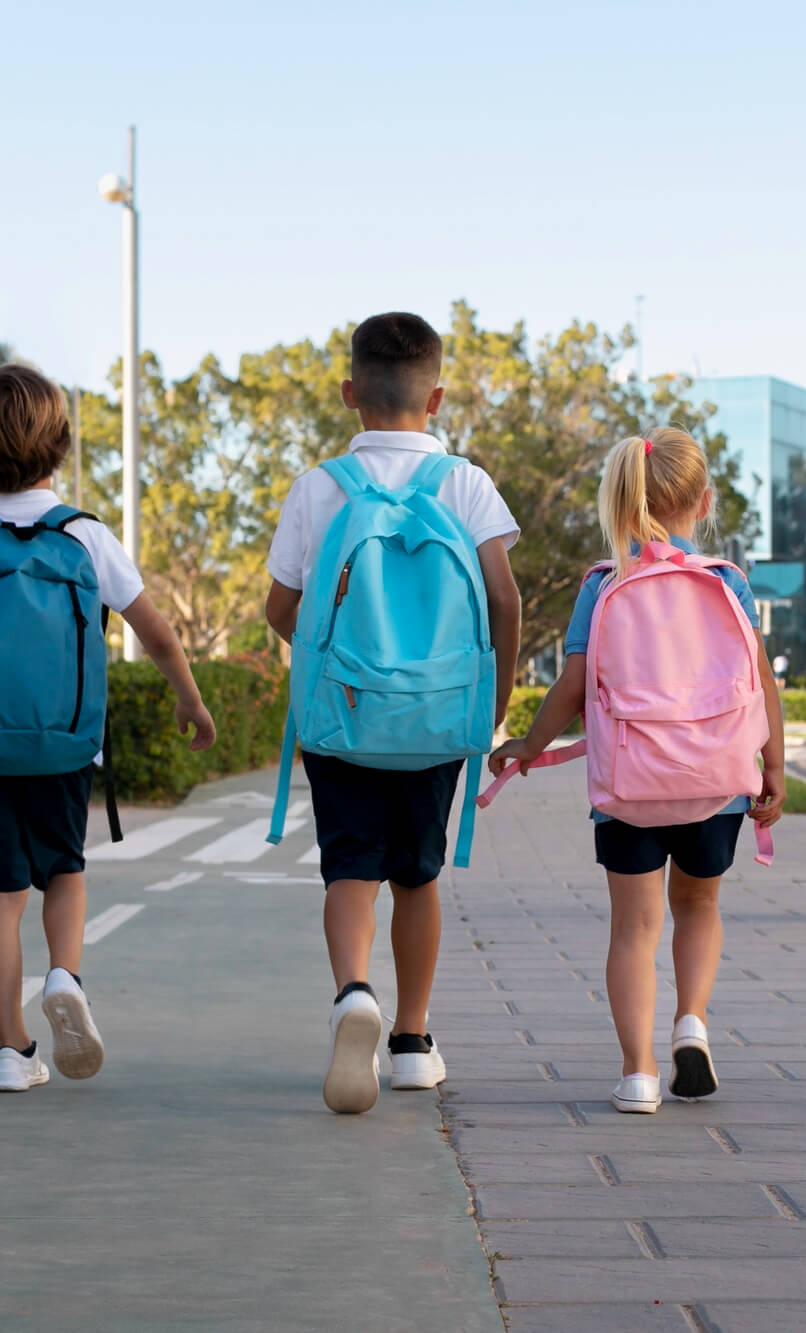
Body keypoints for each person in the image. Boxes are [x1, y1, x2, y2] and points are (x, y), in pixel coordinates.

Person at [0, 364, 216, 1093]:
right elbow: (159, 634)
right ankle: (65, 975)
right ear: (62, 445)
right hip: (65, 744)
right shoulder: (85, 536)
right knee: (65, 871)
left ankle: (12, 1051)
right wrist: (189, 700)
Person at [264, 312, 522, 1114]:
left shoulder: (319, 487)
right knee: (419, 874)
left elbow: (281, 607)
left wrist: (333, 655)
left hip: (342, 715)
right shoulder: (466, 484)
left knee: (350, 867)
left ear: (350, 393)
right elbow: (503, 599)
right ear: (436, 396)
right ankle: (412, 1041)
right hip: (439, 714)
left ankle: (353, 995)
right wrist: (494, 698)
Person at [492, 427, 786, 1115]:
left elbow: (572, 684)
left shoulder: (604, 584)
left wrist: (529, 745)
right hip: (714, 782)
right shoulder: (726, 581)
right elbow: (760, 683)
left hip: (629, 789)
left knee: (634, 928)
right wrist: (770, 765)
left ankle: (639, 1073)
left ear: (622, 502)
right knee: (700, 906)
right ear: (704, 500)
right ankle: (692, 1021)